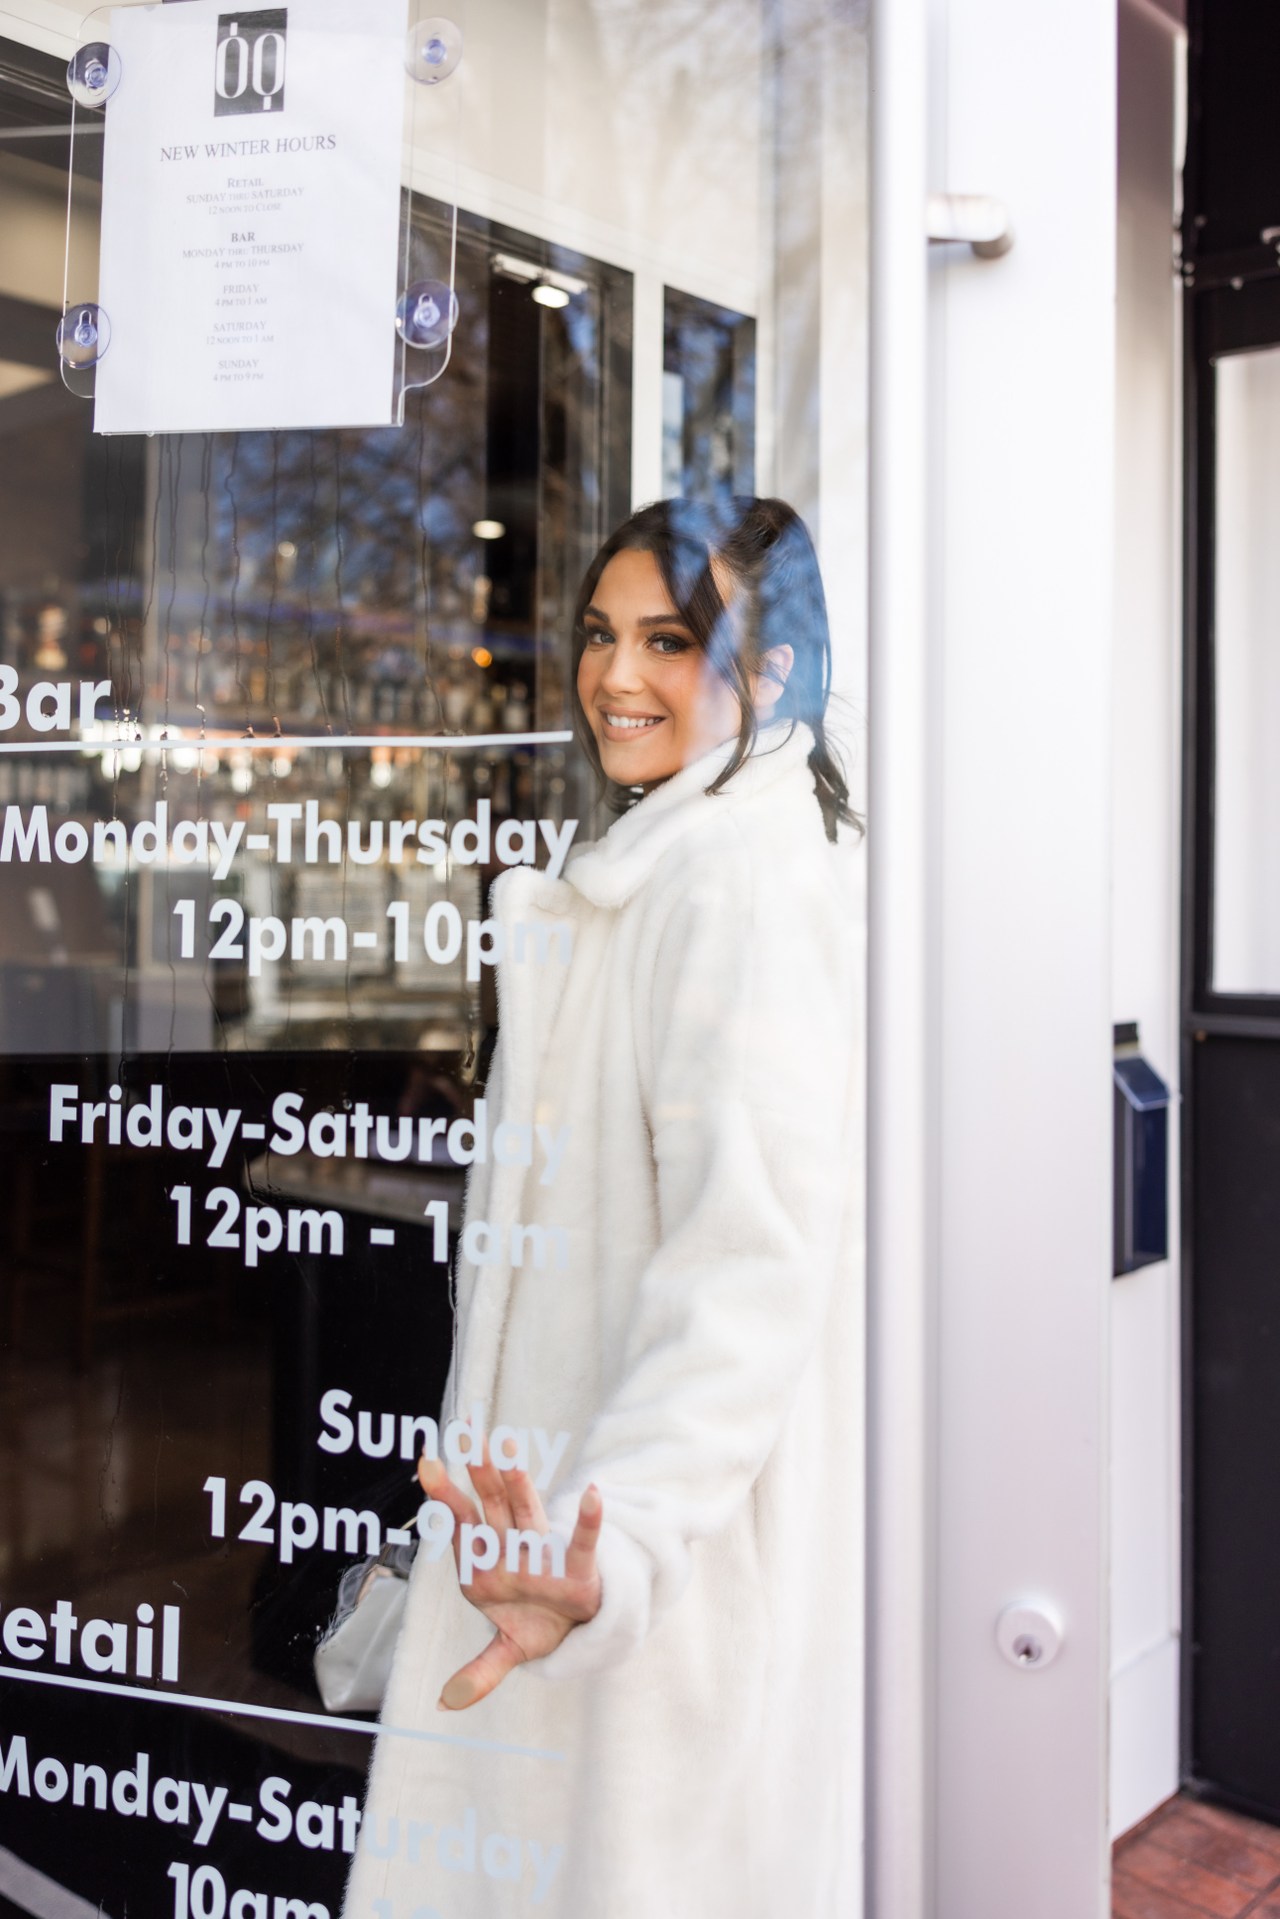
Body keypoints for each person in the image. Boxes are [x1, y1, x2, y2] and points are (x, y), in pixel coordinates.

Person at [342, 496, 865, 1919]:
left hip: (643, 1581)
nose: (615, 676)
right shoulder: (680, 866)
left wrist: (615, 1540)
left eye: (669, 642)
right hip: (574, 1548)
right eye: (597, 634)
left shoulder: (735, 887)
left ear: (768, 673)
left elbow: (748, 1271)